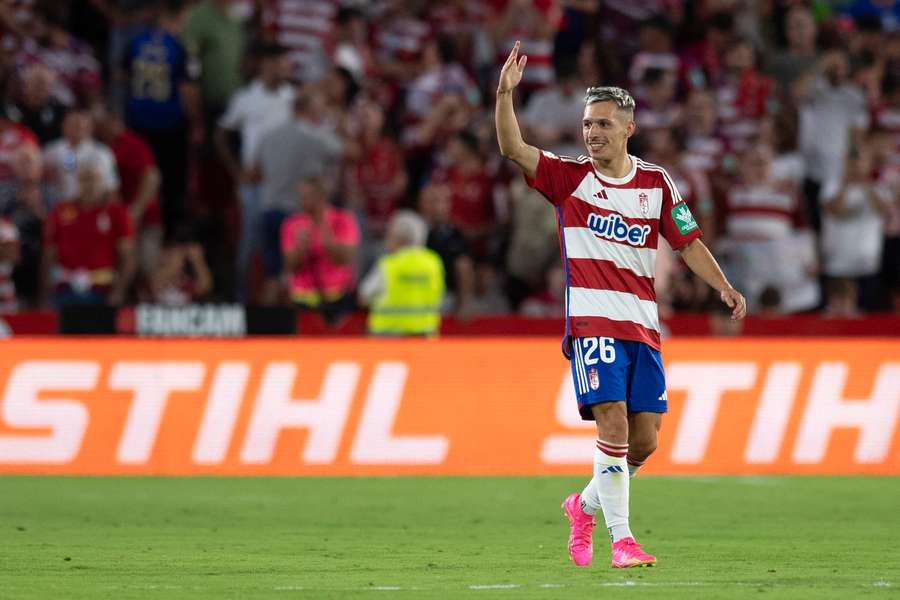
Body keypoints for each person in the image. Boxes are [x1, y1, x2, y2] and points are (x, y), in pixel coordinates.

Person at [494, 41, 747, 569]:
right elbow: (514, 149)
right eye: (588, 124)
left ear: (628, 128)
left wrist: (722, 285)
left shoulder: (655, 183)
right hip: (593, 324)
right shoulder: (571, 180)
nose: (592, 133)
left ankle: (581, 505)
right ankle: (623, 540)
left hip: (642, 327)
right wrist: (504, 95)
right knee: (611, 424)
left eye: (604, 124)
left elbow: (688, 241)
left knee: (645, 441)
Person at [42, 158, 136, 307]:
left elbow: (127, 257)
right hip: (64, 290)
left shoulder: (117, 212)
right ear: (77, 182)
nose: (89, 185)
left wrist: (119, 292)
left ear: (104, 183)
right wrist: (45, 295)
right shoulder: (60, 211)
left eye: (94, 179)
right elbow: (49, 254)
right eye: (84, 180)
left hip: (102, 291)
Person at [280, 176, 359, 325]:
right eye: (300, 196)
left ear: (322, 196)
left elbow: (347, 258)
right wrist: (299, 249)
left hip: (337, 298)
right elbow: (289, 266)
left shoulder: (343, 219)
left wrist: (329, 241)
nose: (302, 201)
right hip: (303, 300)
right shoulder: (291, 224)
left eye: (307, 196)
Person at [358, 210, 445, 337]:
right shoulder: (434, 263)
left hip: (389, 339)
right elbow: (440, 296)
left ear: (400, 238)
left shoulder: (389, 264)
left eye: (389, 234)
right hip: (425, 338)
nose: (386, 239)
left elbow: (363, 297)